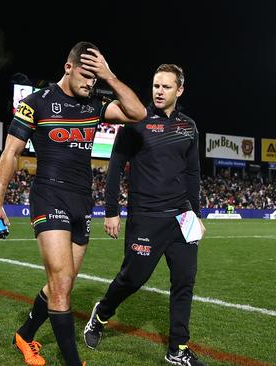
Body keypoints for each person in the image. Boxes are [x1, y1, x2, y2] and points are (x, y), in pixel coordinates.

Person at [0, 41, 146, 366]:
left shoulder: (94, 105)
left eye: (94, 78)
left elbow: (138, 113)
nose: (90, 83)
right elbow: (11, 153)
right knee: (60, 286)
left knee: (64, 284)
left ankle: (25, 335)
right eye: (86, 75)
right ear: (68, 68)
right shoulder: (34, 103)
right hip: (48, 196)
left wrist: (110, 77)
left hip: (81, 202)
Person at [83, 64, 207, 366]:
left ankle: (177, 349)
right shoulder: (136, 120)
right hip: (146, 218)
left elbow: (192, 173)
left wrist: (196, 213)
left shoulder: (188, 126)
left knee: (184, 282)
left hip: (182, 217)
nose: (159, 91)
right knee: (132, 279)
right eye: (155, 86)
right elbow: (115, 167)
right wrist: (111, 211)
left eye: (166, 87)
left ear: (180, 90)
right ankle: (100, 314)